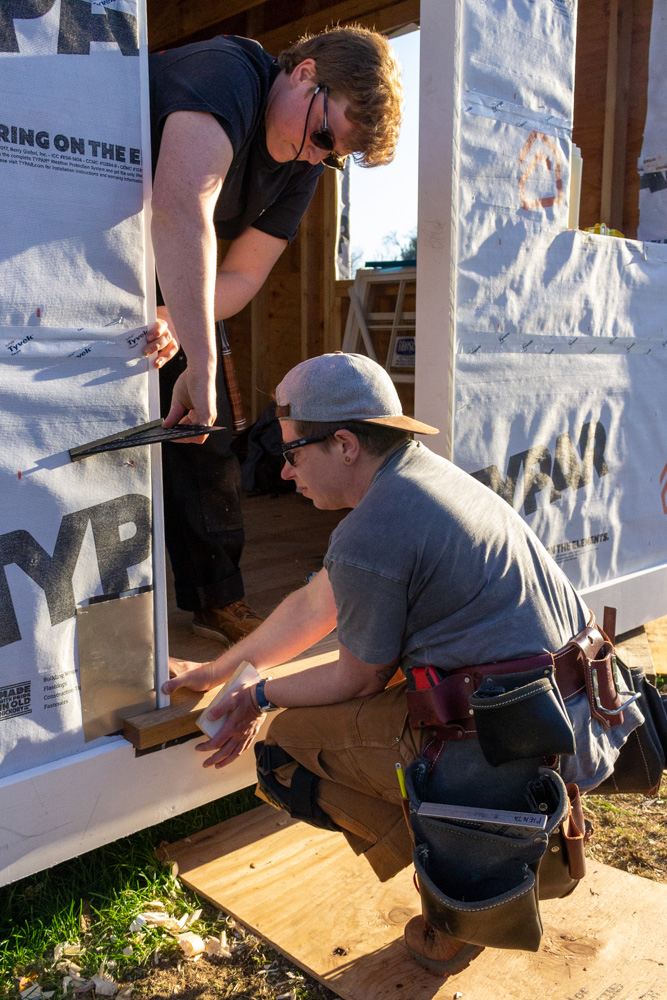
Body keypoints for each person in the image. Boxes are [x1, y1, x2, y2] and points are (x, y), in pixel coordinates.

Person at [162, 352, 643, 977]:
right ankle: (512, 831)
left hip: (517, 731)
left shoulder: (375, 528)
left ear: (343, 444)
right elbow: (319, 603)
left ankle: (462, 898)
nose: (282, 473)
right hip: (570, 713)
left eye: (292, 452)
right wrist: (220, 670)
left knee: (284, 752)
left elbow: (353, 675)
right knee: (355, 697)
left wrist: (258, 699)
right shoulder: (421, 478)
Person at [140, 26, 403, 645]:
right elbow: (182, 206)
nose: (318, 157)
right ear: (305, 74)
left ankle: (216, 598)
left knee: (204, 435)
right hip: (89, 248)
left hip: (175, 273)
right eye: (322, 137)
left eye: (333, 155)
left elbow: (243, 273)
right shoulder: (228, 73)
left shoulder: (304, 165)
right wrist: (198, 360)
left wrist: (177, 321)